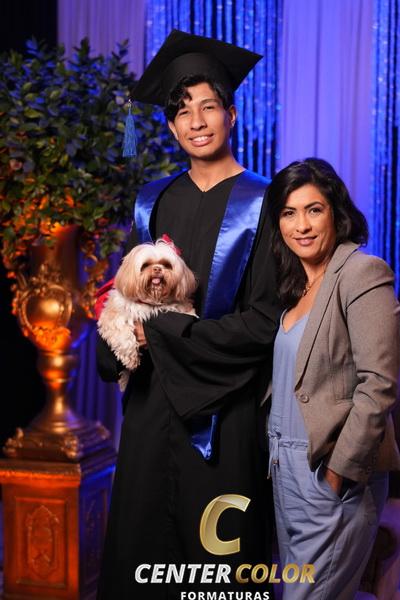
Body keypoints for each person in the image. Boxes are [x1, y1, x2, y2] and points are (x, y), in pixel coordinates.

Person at [96, 30, 280, 599]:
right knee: (143, 554)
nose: (197, 121)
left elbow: (266, 320)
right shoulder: (152, 201)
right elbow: (123, 297)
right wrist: (120, 342)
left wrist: (162, 334)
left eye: (208, 106)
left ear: (231, 114)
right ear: (172, 128)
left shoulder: (266, 202)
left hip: (226, 412)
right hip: (151, 411)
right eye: (182, 111)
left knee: (218, 568)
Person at [266, 158, 400, 600]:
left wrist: (339, 472)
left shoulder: (362, 272)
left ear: (336, 213)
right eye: (289, 213)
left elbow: (379, 384)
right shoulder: (296, 286)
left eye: (314, 210)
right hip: (284, 469)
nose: (301, 225)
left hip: (328, 470)